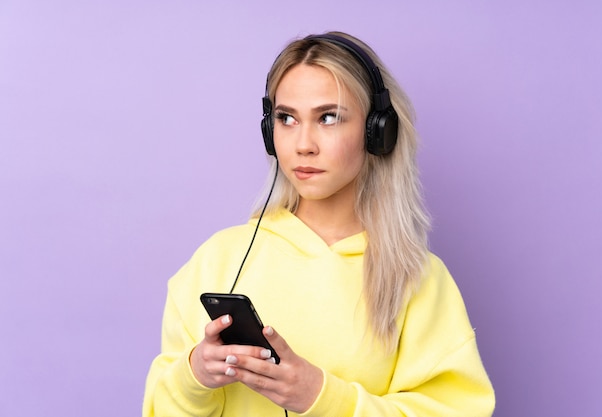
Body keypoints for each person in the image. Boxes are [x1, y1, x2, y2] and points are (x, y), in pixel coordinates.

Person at [142, 31, 495, 417]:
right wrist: (194, 377)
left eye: (328, 117)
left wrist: (322, 398)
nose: (303, 144)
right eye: (286, 118)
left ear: (377, 130)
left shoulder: (418, 278)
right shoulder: (216, 261)